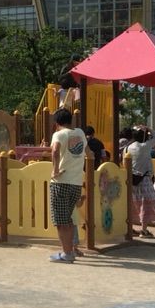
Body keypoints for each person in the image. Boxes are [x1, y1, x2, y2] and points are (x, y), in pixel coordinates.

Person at [48, 108, 86, 262]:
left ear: (57, 123)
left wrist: (55, 170)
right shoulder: (80, 133)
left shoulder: (59, 134)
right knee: (68, 219)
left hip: (61, 182)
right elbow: (88, 152)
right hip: (76, 183)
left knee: (61, 221)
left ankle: (67, 253)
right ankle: (70, 250)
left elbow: (55, 150)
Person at [125, 125, 155, 238]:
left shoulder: (128, 148)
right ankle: (144, 230)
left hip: (132, 179)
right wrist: (148, 128)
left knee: (133, 204)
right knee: (146, 205)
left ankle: (130, 228)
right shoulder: (144, 146)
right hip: (144, 179)